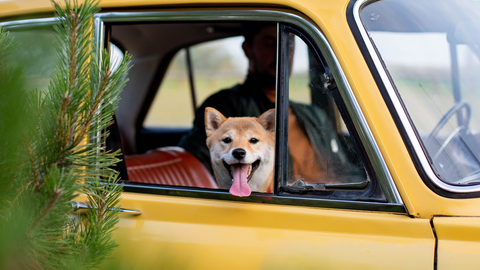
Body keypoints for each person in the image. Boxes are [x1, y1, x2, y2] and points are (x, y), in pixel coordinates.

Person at [178, 22, 364, 186]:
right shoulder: (226, 105)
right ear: (248, 49)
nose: (281, 51)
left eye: (288, 43)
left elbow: (345, 169)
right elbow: (197, 163)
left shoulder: (315, 115)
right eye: (269, 43)